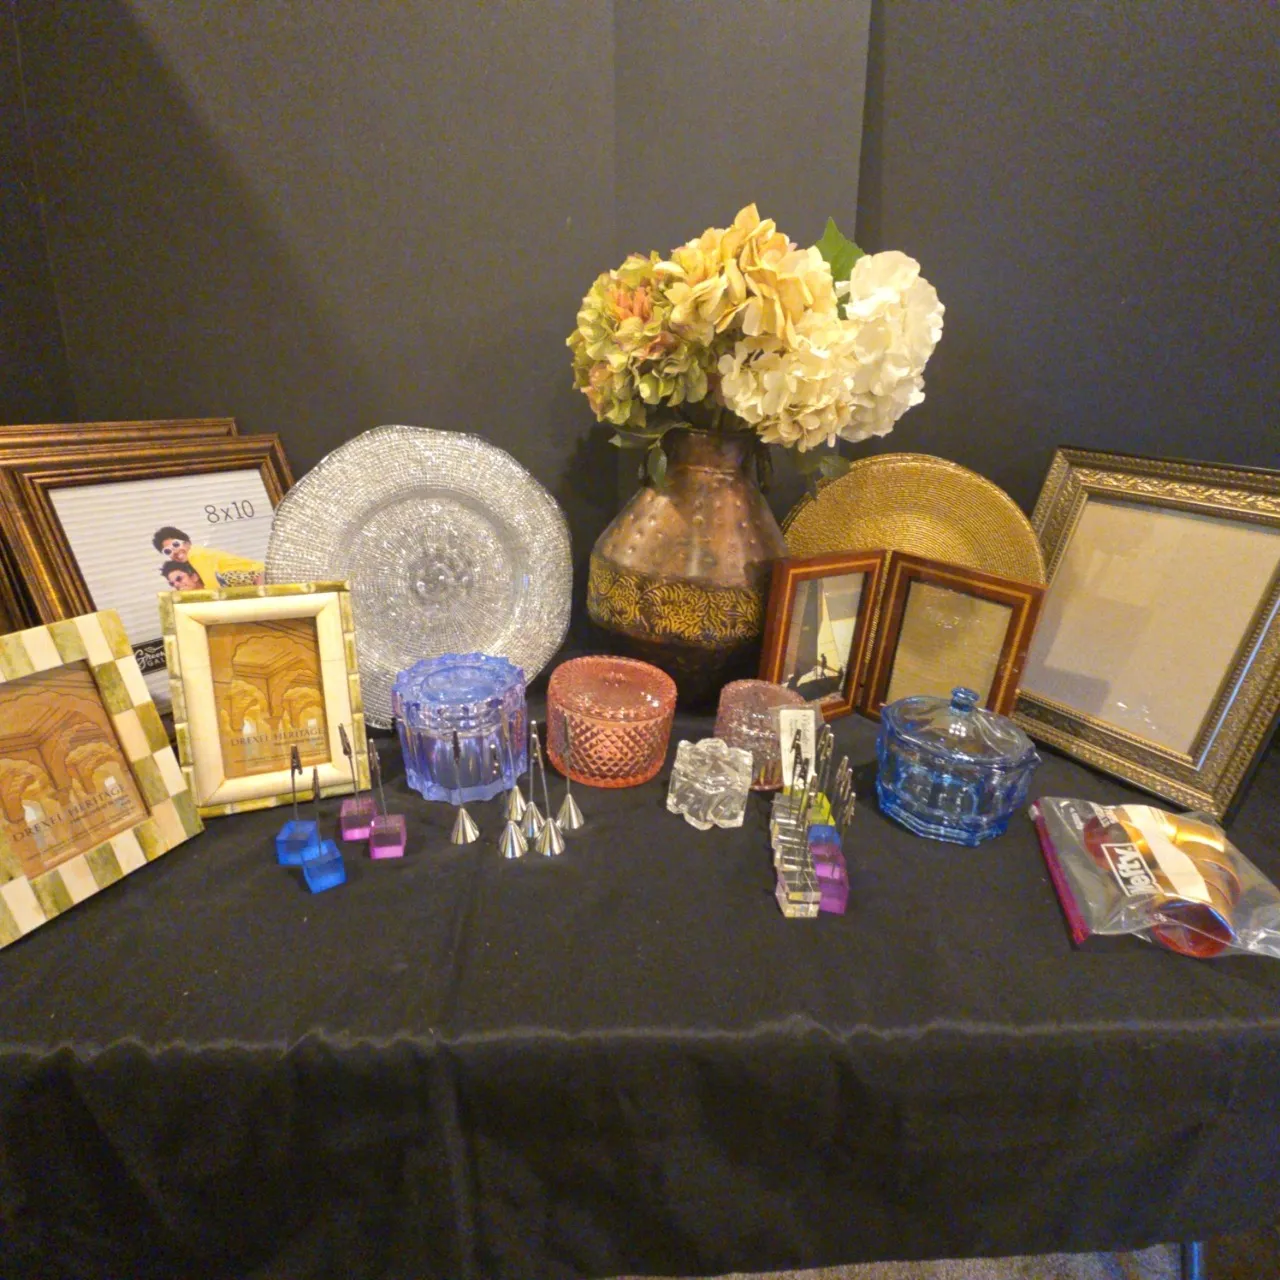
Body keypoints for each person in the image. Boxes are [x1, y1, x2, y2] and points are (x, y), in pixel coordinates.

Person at [152, 526, 264, 587]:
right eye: (168, 551)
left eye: (176, 544)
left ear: (187, 542)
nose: (175, 551)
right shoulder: (196, 557)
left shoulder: (196, 555)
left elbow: (214, 586)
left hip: (262, 578)